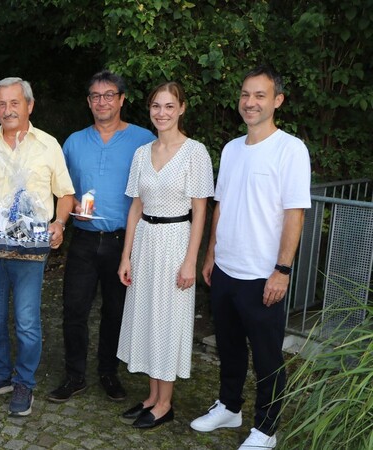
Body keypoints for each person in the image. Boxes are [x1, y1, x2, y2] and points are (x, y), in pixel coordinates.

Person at [190, 66, 311, 450]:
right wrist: (210, 255)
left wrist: (282, 270)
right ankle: (229, 406)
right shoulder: (230, 149)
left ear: (277, 100)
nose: (250, 102)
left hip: (263, 274)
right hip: (225, 269)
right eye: (245, 94)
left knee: (267, 356)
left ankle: (267, 427)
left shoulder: (291, 149)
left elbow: (295, 214)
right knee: (228, 346)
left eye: (260, 95)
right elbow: (220, 206)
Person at [0, 77, 75, 416]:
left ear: (30, 105)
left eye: (15, 103)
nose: (8, 110)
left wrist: (60, 223)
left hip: (32, 247)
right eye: (2, 104)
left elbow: (65, 193)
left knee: (26, 320)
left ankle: (24, 381)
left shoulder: (47, 145)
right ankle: (0, 375)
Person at [48, 70, 155, 404]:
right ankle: (74, 375)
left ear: (122, 99)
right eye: (95, 96)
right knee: (74, 309)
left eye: (109, 95)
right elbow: (60, 188)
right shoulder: (74, 141)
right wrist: (70, 204)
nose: (102, 102)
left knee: (116, 310)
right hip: (83, 238)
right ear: (88, 102)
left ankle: (109, 372)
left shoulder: (143, 139)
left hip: (125, 241)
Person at [115, 81, 214, 429]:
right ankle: (152, 396)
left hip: (175, 241)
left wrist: (192, 259)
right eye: (157, 106)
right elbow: (134, 207)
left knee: (168, 320)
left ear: (182, 109)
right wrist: (126, 256)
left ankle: (166, 404)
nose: (162, 113)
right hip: (145, 240)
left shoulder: (195, 152)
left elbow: (200, 211)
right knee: (147, 316)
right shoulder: (142, 153)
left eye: (170, 106)